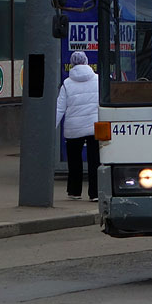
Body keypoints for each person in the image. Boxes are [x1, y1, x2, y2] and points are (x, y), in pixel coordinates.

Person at [56, 51, 100, 201]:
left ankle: (74, 191)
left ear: (72, 64)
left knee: (74, 160)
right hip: (94, 125)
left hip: (73, 127)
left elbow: (59, 108)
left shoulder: (67, 83)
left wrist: (51, 128)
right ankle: (94, 193)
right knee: (95, 160)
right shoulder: (98, 80)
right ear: (87, 62)